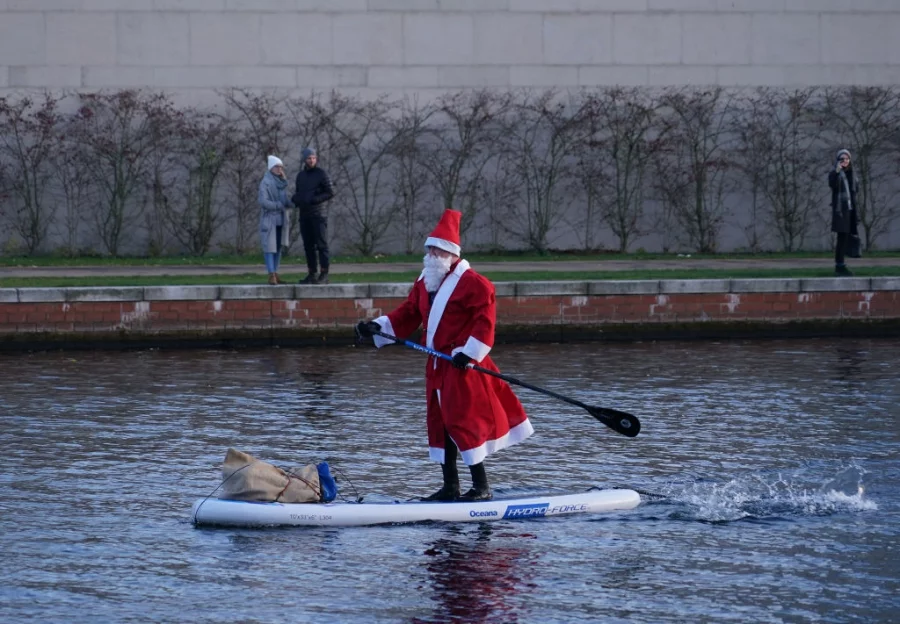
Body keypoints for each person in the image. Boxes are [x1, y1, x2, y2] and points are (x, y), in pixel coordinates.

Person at [356, 209, 534, 502]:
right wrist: (378, 326)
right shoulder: (425, 281)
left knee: (463, 421)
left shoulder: (474, 283)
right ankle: (450, 485)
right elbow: (409, 313)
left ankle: (481, 487)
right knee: (440, 422)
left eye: (437, 250)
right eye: (429, 250)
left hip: (463, 366)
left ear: (451, 253)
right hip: (438, 365)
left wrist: (470, 352)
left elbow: (484, 321)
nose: (431, 255)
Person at [292, 147, 334, 285]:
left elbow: (330, 192)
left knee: (322, 245)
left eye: (314, 158)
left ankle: (324, 273)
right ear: (304, 159)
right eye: (309, 158)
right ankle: (312, 273)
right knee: (308, 246)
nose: (312, 160)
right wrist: (297, 199)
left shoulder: (321, 174)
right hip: (304, 215)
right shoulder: (301, 176)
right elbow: (299, 192)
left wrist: (315, 200)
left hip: (318, 214)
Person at [258, 155, 292, 285]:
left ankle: (276, 273)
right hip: (269, 219)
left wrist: (291, 203)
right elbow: (263, 201)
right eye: (277, 166)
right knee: (269, 247)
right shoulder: (265, 182)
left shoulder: (281, 183)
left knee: (278, 247)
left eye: (281, 167)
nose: (279, 169)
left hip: (281, 219)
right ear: (271, 167)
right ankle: (271, 273)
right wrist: (278, 205)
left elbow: (284, 200)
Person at [829, 148, 860, 277]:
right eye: (842, 159)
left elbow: (855, 190)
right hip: (840, 210)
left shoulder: (852, 173)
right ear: (838, 160)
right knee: (842, 238)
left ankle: (842, 262)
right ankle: (840, 265)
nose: (845, 161)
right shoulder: (835, 173)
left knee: (847, 237)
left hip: (850, 209)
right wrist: (837, 170)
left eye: (847, 159)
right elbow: (832, 184)